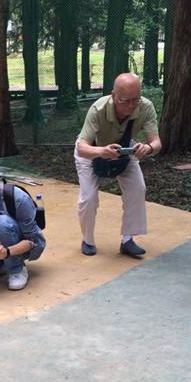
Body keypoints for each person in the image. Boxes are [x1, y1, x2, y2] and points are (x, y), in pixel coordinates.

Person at [75, 72, 161, 257]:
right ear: (113, 95)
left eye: (135, 99)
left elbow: (156, 143)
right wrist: (101, 151)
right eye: (124, 100)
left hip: (125, 148)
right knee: (88, 198)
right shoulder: (98, 109)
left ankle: (128, 240)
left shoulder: (146, 107)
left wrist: (147, 148)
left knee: (138, 189)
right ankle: (87, 239)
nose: (130, 106)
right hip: (93, 149)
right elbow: (82, 147)